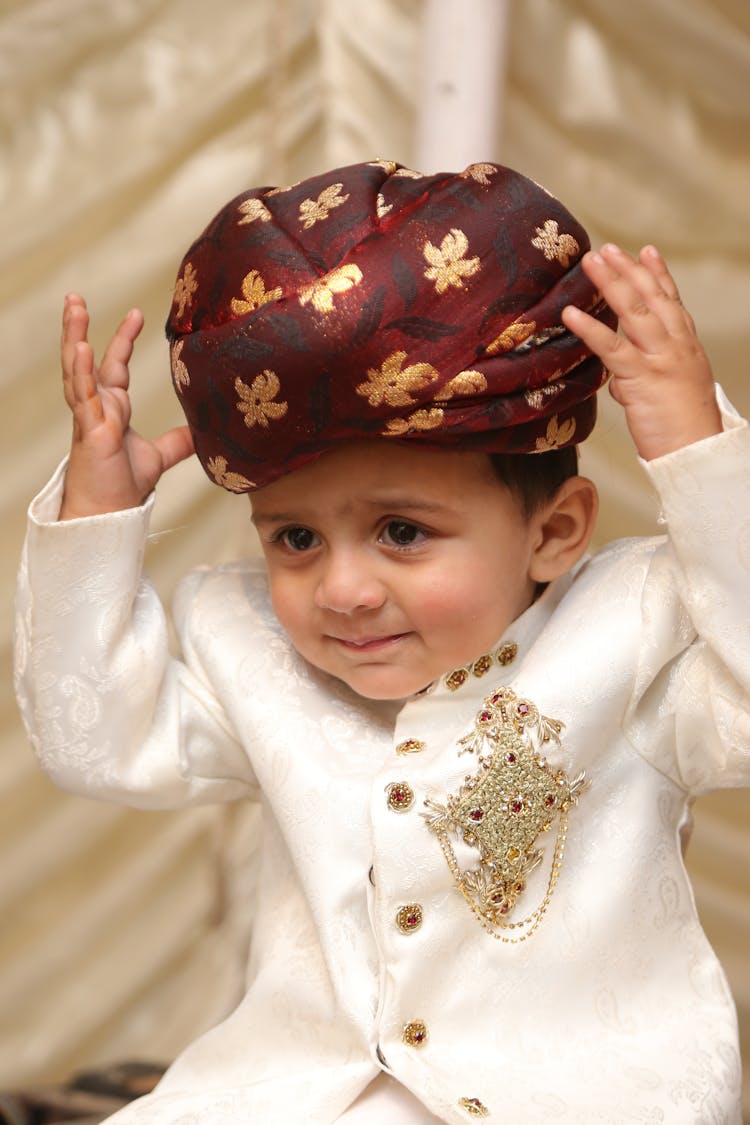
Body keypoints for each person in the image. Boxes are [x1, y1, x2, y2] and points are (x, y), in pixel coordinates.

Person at [14, 160, 749, 1124]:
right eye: (296, 538)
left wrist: (697, 450)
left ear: (555, 531)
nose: (345, 590)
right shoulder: (260, 658)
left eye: (402, 531)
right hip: (294, 1095)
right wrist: (97, 515)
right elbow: (94, 741)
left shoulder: (635, 638)